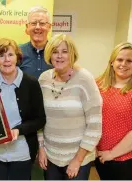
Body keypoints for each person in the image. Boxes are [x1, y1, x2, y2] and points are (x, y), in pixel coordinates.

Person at [38, 34, 102, 180]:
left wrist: (77, 160)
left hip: (78, 157)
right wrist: (41, 148)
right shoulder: (43, 79)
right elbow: (39, 118)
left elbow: (95, 125)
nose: (59, 56)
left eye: (64, 51)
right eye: (55, 51)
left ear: (72, 54)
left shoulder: (85, 79)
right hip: (51, 156)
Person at [0, 38, 46, 180]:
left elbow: (40, 120)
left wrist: (18, 130)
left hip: (22, 152)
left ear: (17, 57)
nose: (6, 60)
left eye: (10, 55)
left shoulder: (31, 83)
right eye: (1, 55)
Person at [95, 42, 132, 180]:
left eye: (129, 61)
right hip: (100, 156)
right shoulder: (97, 84)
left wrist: (112, 153)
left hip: (125, 159)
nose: (124, 64)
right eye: (120, 59)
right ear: (112, 62)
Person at [19, 6, 53, 79]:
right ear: (27, 27)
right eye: (34, 23)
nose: (37, 27)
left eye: (42, 23)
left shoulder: (56, 52)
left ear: (49, 27)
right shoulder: (17, 52)